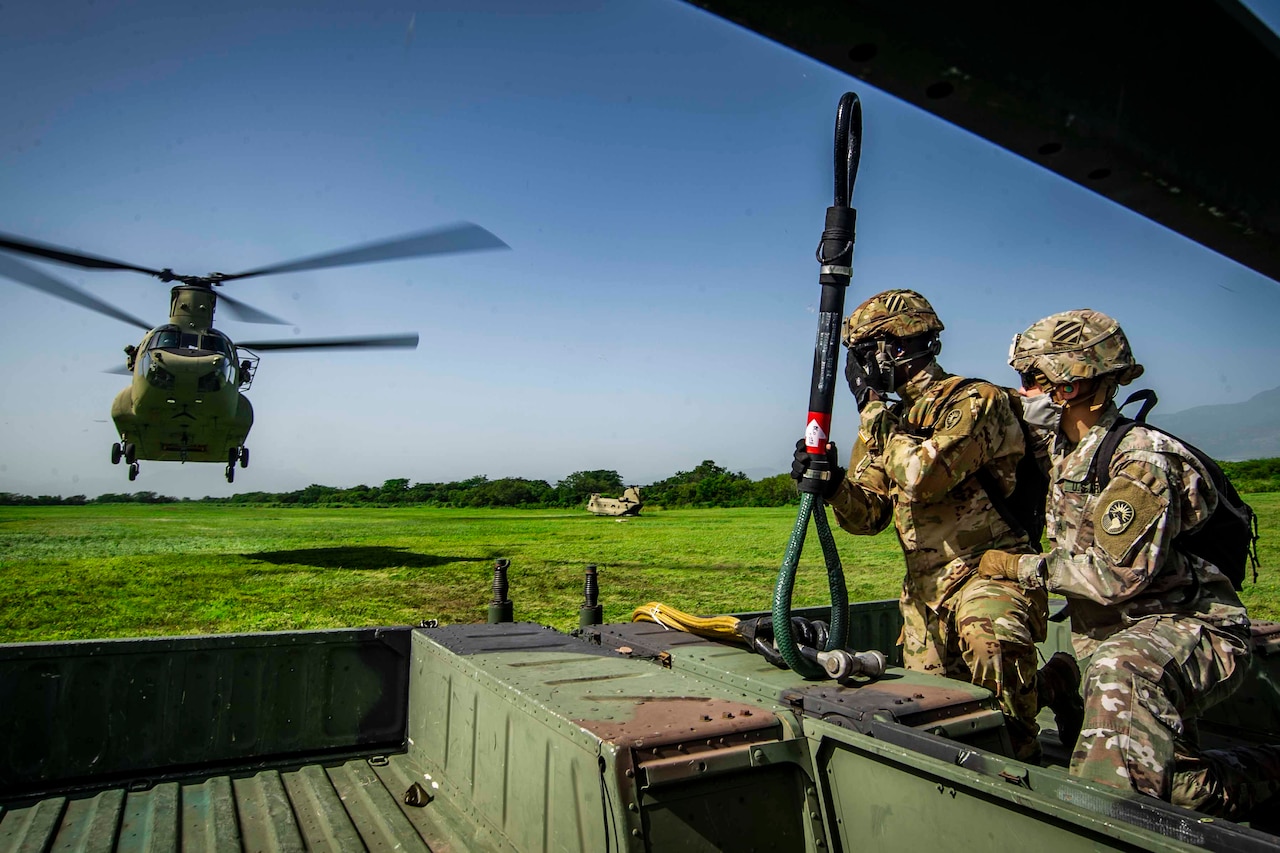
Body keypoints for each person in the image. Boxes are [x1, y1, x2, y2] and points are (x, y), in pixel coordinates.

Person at [978, 308, 1280, 817]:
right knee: (1180, 789)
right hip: (1123, 632)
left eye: (1031, 379)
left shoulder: (1140, 459)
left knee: (1122, 681)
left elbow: (1114, 576)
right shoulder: (1064, 451)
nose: (1021, 392)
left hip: (1192, 629)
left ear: (1069, 387)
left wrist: (1018, 567)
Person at [791, 288, 1078, 763]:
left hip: (990, 572)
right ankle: (1055, 681)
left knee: (997, 683)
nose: (858, 369)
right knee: (936, 710)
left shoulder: (974, 401)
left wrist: (871, 409)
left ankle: (1023, 774)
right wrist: (834, 482)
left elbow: (922, 477)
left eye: (864, 354)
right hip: (924, 589)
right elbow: (869, 517)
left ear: (895, 349)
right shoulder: (887, 420)